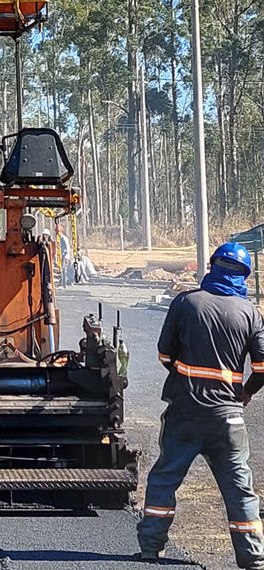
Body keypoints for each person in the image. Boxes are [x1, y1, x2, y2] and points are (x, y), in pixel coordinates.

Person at [137, 242, 264, 568]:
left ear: (212, 266)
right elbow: (263, 367)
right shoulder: (250, 313)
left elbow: (165, 354)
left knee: (165, 479)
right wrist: (246, 391)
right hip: (228, 420)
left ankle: (151, 549)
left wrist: (186, 373)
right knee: (240, 490)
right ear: (245, 276)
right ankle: (253, 558)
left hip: (185, 414)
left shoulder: (186, 302)